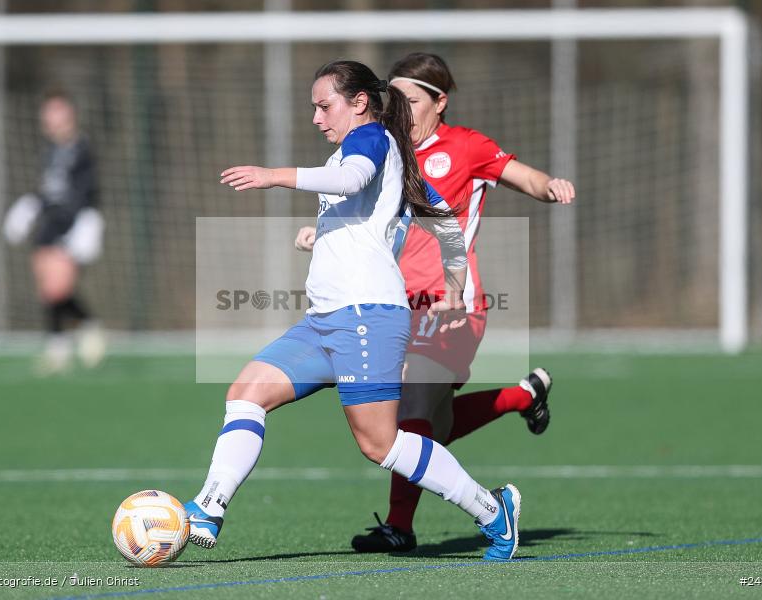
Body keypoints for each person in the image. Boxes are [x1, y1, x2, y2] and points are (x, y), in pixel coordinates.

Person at [182, 60, 524, 562]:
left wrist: (272, 176)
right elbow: (438, 218)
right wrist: (324, 236)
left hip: (367, 316)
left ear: (359, 102)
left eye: (325, 106)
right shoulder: (383, 157)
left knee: (382, 445)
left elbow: (354, 179)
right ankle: (208, 508)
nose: (317, 117)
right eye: (314, 108)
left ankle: (493, 512)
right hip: (323, 319)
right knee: (245, 394)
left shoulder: (370, 141)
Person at [295, 52, 576, 553]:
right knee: (434, 426)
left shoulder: (465, 147)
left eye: (411, 100)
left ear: (439, 102)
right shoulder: (386, 148)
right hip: (390, 303)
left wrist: (548, 187)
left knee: (410, 414)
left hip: (449, 302)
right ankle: (522, 396)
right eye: (394, 99)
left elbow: (523, 176)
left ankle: (401, 526)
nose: (400, 108)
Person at [3, 91, 106, 375]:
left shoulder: (82, 148)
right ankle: (71, 337)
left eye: (57, 112)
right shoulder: (49, 151)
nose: (51, 119)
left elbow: (87, 190)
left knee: (57, 288)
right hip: (49, 222)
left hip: (72, 223)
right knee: (48, 290)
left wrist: (89, 220)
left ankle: (75, 335)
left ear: (70, 115)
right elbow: (48, 189)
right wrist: (30, 205)